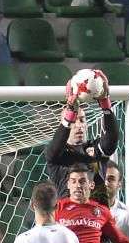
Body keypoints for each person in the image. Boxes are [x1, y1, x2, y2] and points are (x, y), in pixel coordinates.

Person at [44, 70, 117, 199]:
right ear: (65, 124)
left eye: (82, 119)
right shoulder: (59, 154)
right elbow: (53, 151)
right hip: (68, 216)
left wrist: (105, 105)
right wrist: (69, 114)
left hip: (97, 216)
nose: (79, 125)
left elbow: (111, 142)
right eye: (74, 121)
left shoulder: (96, 147)